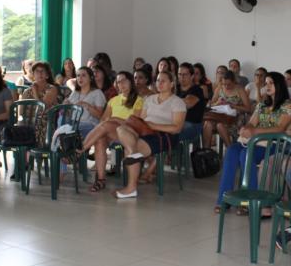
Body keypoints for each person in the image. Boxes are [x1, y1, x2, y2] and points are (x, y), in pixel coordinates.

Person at [215, 72, 291, 212]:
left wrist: (255, 132)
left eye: (271, 83)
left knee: (247, 153)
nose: (267, 86)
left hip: (274, 144)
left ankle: (250, 201)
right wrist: (246, 129)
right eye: (266, 83)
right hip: (257, 142)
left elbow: (280, 128)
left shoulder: (287, 106)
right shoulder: (263, 104)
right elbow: (252, 122)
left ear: (279, 85)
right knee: (232, 151)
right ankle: (224, 200)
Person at [115, 71, 186, 199]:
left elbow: (177, 128)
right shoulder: (150, 99)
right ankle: (134, 153)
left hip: (165, 135)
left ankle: (131, 188)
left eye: (163, 81)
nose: (159, 83)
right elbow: (142, 119)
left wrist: (153, 125)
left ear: (172, 84)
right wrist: (140, 125)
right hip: (145, 130)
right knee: (121, 129)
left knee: (131, 149)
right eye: (158, 80)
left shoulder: (177, 102)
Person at [82, 71, 143, 193]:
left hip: (127, 133)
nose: (121, 84)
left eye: (124, 81)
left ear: (131, 81)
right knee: (100, 139)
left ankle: (80, 150)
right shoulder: (113, 100)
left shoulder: (138, 100)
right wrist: (111, 121)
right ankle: (101, 179)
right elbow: (103, 120)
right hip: (110, 132)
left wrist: (115, 119)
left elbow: (134, 122)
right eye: (118, 82)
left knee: (108, 124)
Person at [202, 70, 251, 151]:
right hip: (219, 116)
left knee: (220, 125)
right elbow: (211, 104)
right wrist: (217, 103)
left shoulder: (240, 89)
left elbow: (248, 108)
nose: (226, 86)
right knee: (208, 123)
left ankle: (230, 150)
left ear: (234, 82)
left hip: (234, 119)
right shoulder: (220, 88)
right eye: (224, 84)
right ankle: (206, 152)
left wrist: (232, 105)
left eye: (229, 84)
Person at [20, 61, 59, 148]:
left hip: (46, 123)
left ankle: (33, 152)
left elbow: (42, 108)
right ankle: (24, 157)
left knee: (36, 126)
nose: (40, 73)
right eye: (37, 71)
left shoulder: (52, 89)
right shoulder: (27, 92)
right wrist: (21, 122)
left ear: (47, 75)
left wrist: (35, 92)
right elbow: (21, 112)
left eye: (42, 71)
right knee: (20, 128)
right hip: (29, 123)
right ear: (33, 75)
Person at [67, 66, 107, 138]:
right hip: (73, 122)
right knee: (62, 122)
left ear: (91, 78)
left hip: (89, 124)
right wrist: (66, 105)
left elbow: (100, 115)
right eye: (78, 76)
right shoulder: (75, 92)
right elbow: (68, 111)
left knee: (70, 129)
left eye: (83, 75)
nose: (80, 78)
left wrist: (87, 106)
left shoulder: (97, 93)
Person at [176, 62, 207, 142]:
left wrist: (169, 100)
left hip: (192, 125)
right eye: (179, 74)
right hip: (176, 122)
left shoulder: (197, 90)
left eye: (185, 74)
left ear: (192, 76)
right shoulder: (175, 89)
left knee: (172, 134)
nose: (181, 77)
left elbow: (187, 104)